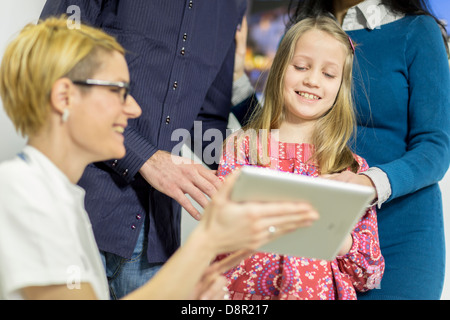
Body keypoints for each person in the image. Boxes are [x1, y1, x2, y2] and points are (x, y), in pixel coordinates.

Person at [0, 17, 320, 300]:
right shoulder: (22, 193)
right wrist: (207, 241)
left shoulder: (62, 199)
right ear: (64, 96)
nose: (134, 109)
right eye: (118, 91)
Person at [39, 0, 249, 299]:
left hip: (156, 237)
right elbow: (53, 63)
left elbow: (205, 117)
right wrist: (145, 157)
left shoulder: (233, 6)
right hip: (79, 210)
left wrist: (253, 169)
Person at [283, 0, 450, 300]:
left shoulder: (417, 31)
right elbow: (281, 124)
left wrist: (366, 183)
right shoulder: (305, 28)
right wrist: (238, 83)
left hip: (399, 236)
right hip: (320, 230)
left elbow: (435, 147)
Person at [217, 15, 384, 300]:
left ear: (340, 89)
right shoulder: (242, 147)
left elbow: (370, 275)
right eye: (301, 66)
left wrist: (333, 237)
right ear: (281, 69)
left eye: (328, 74)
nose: (312, 80)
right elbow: (218, 237)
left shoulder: (350, 169)